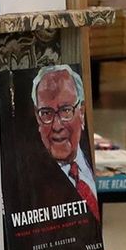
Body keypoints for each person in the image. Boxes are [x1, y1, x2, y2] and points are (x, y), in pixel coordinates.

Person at [27, 65, 99, 221]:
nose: (57, 125)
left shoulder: (93, 161)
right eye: (46, 113)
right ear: (37, 116)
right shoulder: (28, 186)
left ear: (81, 111)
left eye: (66, 110)